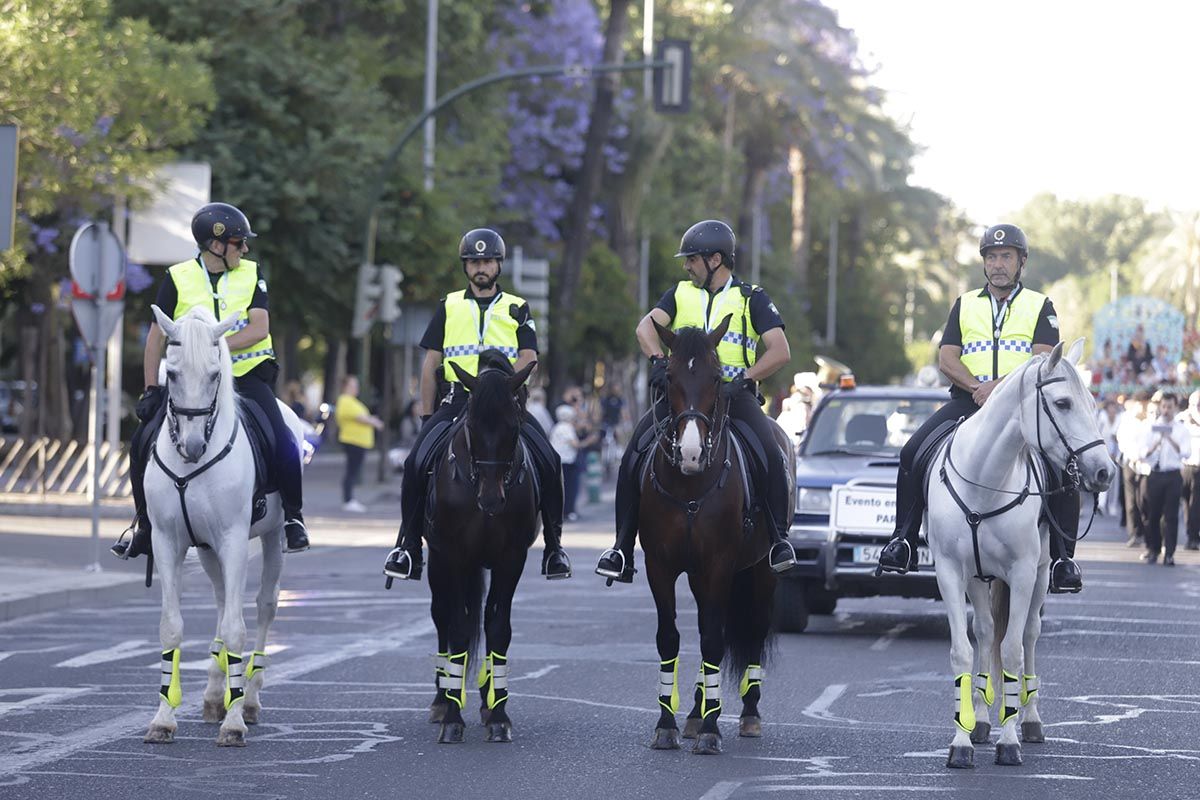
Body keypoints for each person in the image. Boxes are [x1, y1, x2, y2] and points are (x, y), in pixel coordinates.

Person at [875, 223, 1083, 593]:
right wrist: (976, 388)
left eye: (1006, 256)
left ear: (1021, 262)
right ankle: (902, 540)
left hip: (1020, 409)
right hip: (967, 402)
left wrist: (998, 389)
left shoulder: (1040, 305)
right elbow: (947, 358)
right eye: (991, 257)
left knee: (1063, 465)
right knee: (911, 453)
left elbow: (1040, 360)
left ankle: (1063, 559)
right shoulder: (964, 304)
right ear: (984, 263)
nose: (998, 264)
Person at [595, 219, 797, 583]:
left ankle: (779, 539)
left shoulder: (752, 297)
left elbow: (780, 351)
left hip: (734, 397)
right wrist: (658, 360)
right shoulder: (680, 294)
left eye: (692, 259)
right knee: (634, 454)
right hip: (683, 398)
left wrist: (745, 378)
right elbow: (645, 328)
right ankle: (622, 547)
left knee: (770, 452)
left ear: (715, 259)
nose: (687, 266)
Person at [110, 202, 310, 559]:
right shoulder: (178, 276)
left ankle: (293, 517)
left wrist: (210, 349)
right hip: (190, 382)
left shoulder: (251, 273)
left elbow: (259, 328)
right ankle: (143, 525)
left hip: (247, 378)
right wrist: (151, 389)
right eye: (239, 242)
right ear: (215, 245)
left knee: (283, 439)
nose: (245, 249)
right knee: (141, 441)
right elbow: (156, 338)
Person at [381, 228, 571, 581]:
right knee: (415, 462)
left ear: (498, 265)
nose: (480, 268)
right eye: (473, 262)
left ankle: (554, 547)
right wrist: (426, 416)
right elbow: (430, 364)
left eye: (486, 261)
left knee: (549, 459)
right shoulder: (448, 305)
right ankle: (408, 546)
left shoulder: (517, 307)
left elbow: (529, 356)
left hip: (504, 403)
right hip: (457, 400)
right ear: (465, 267)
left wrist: (502, 389)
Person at [1139, 391, 1188, 565]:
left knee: (1171, 516)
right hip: (1155, 475)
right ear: (1161, 407)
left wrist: (1171, 439)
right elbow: (1142, 452)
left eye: (1170, 407)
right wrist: (1155, 444)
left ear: (1175, 407)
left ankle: (1170, 553)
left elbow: (1186, 453)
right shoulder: (1151, 427)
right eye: (1164, 406)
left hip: (1173, 475)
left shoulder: (1181, 429)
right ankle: (1153, 549)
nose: (1166, 410)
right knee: (1153, 514)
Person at [336, 375, 383, 513]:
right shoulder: (345, 400)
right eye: (353, 385)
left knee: (353, 471)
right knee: (352, 471)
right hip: (353, 440)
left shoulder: (352, 401)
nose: (356, 388)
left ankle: (350, 499)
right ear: (345, 387)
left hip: (358, 441)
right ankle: (348, 500)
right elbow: (360, 417)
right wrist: (374, 422)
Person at [551, 403, 596, 521]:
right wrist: (588, 441)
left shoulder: (557, 427)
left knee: (561, 488)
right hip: (567, 462)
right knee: (570, 488)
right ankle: (569, 511)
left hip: (559, 461)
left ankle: (563, 511)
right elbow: (575, 445)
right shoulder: (566, 428)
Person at [1179, 390, 1200, 550]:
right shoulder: (1182, 419)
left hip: (1198, 468)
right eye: (1194, 404)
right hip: (1184, 467)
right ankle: (1189, 532)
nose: (1196, 407)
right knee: (1186, 502)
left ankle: (1193, 536)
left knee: (1195, 503)